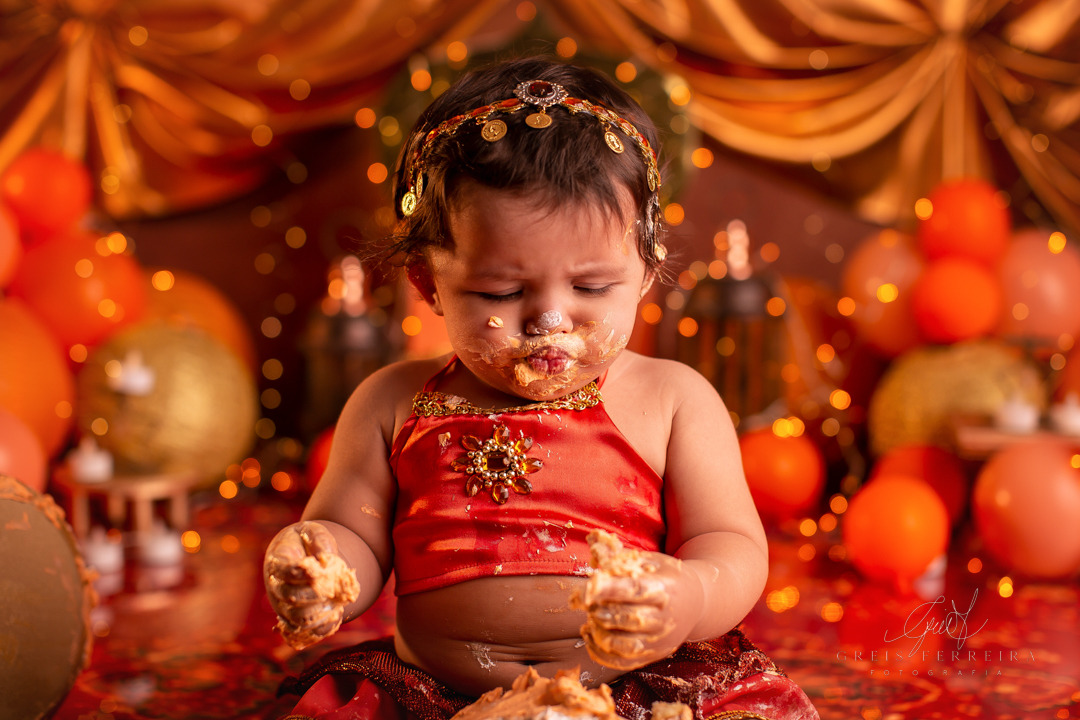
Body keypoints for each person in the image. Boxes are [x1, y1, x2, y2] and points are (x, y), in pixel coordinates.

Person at [265, 56, 819, 720]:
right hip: (432, 696)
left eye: (591, 287)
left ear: (647, 269)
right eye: (500, 291)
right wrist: (319, 565)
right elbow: (350, 533)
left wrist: (690, 597)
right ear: (425, 282)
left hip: (639, 686)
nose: (550, 320)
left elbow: (730, 544)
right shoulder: (392, 403)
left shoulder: (674, 399)